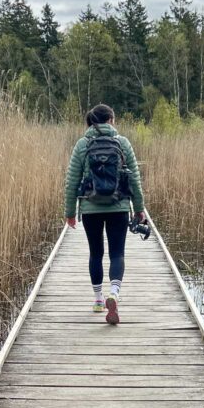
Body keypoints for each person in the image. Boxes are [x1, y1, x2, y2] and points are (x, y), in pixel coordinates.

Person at [64, 103, 146, 325]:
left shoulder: (82, 144)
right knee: (117, 253)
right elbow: (135, 181)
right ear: (110, 120)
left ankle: (99, 300)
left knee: (95, 253)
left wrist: (70, 212)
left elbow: (71, 181)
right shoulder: (123, 143)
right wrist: (139, 209)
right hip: (118, 206)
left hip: (90, 208)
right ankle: (115, 293)